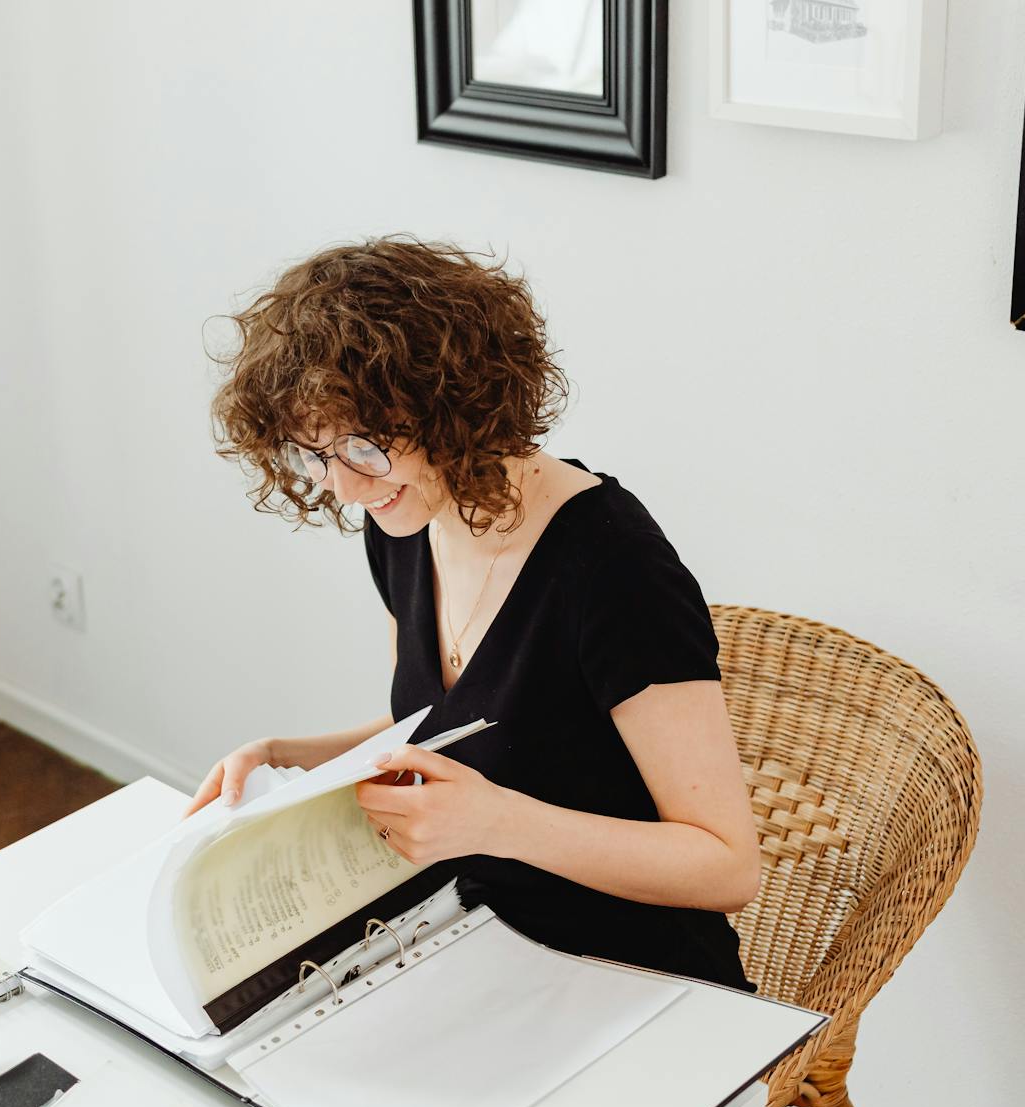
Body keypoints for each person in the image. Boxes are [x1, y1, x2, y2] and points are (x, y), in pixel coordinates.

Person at [189, 237, 761, 990]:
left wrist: (501, 823)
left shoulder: (613, 566)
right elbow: (449, 722)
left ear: (453, 406)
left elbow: (727, 867)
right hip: (474, 937)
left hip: (633, 974)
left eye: (363, 446)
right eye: (314, 455)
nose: (344, 488)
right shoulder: (405, 522)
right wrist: (288, 755)